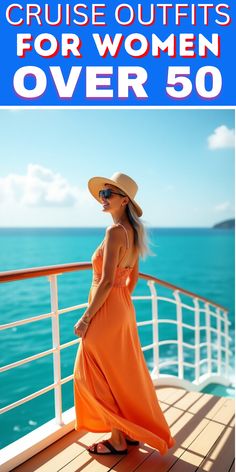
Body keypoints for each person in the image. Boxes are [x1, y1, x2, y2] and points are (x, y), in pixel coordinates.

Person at [73, 172, 176, 456]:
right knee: (116, 372)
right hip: (121, 308)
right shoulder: (133, 231)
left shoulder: (114, 232)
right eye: (102, 194)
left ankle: (117, 439)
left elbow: (106, 281)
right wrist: (120, 304)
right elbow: (131, 279)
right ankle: (127, 433)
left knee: (92, 371)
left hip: (106, 309)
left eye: (108, 194)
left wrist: (86, 318)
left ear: (124, 199)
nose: (102, 198)